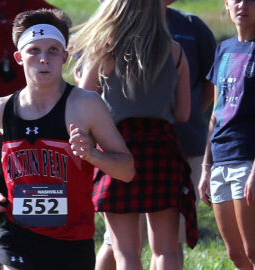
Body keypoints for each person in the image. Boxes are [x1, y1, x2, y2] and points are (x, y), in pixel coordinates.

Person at [0, 9, 135, 270]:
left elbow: (127, 170)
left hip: (72, 241)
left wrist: (93, 154)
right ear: (19, 58)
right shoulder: (0, 109)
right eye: (34, 51)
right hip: (16, 236)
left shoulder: (85, 105)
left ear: (65, 57)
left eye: (53, 50)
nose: (44, 59)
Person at [71, 0, 195, 269]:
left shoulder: (102, 49)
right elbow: (184, 113)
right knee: (166, 250)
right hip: (163, 150)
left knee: (126, 252)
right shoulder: (175, 51)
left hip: (117, 149)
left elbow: (83, 101)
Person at [198, 0, 255, 268]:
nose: (243, 5)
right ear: (227, 4)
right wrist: (206, 167)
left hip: (248, 160)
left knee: (253, 249)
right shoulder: (224, 49)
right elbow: (217, 112)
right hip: (221, 160)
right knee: (235, 254)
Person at [0, 0, 56, 201]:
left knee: (29, 152)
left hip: (27, 85)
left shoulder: (31, 4)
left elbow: (59, 21)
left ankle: (33, 202)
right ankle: (0, 209)